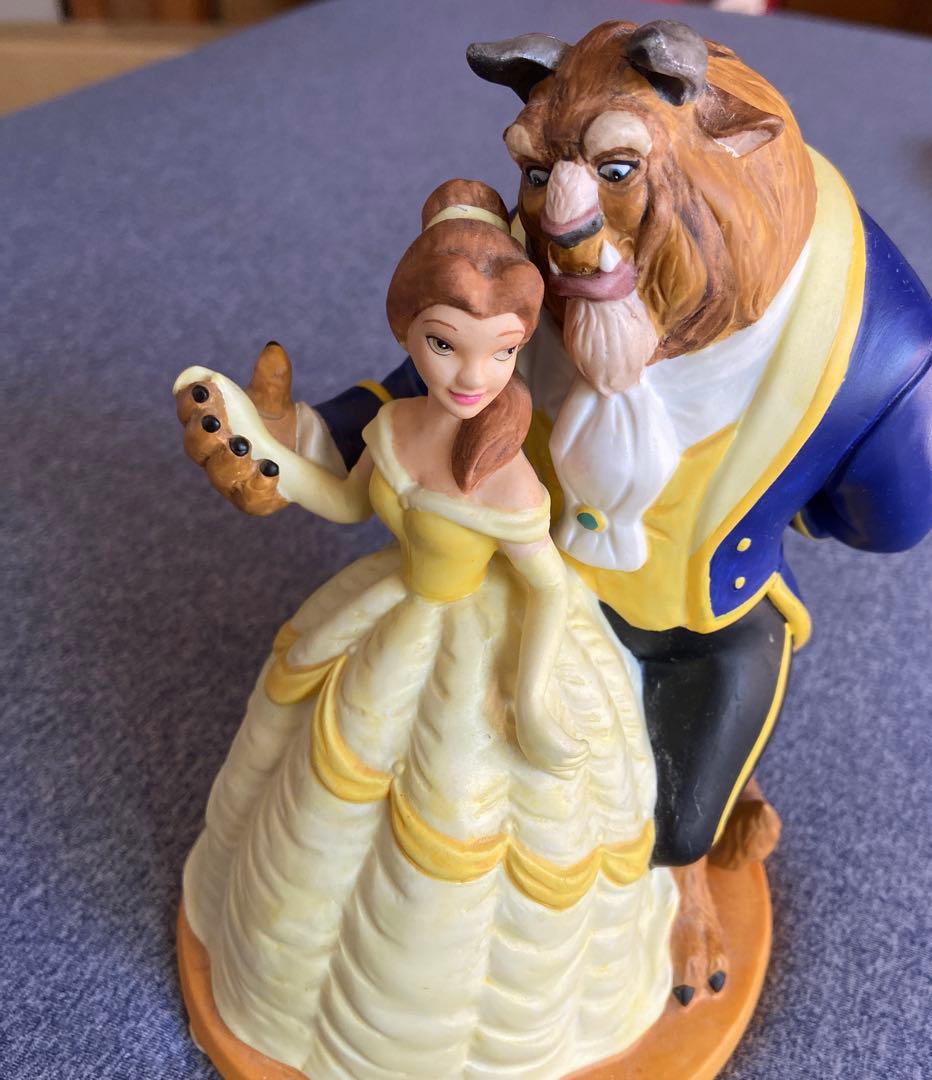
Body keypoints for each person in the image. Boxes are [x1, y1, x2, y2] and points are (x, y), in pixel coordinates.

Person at [173, 179, 676, 1080]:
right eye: (445, 345)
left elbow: (548, 591)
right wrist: (270, 456)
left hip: (482, 644)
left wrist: (532, 696)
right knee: (315, 800)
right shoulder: (394, 424)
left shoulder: (507, 480)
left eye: (502, 352)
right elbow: (344, 500)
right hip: (393, 614)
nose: (473, 377)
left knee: (461, 833)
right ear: (408, 335)